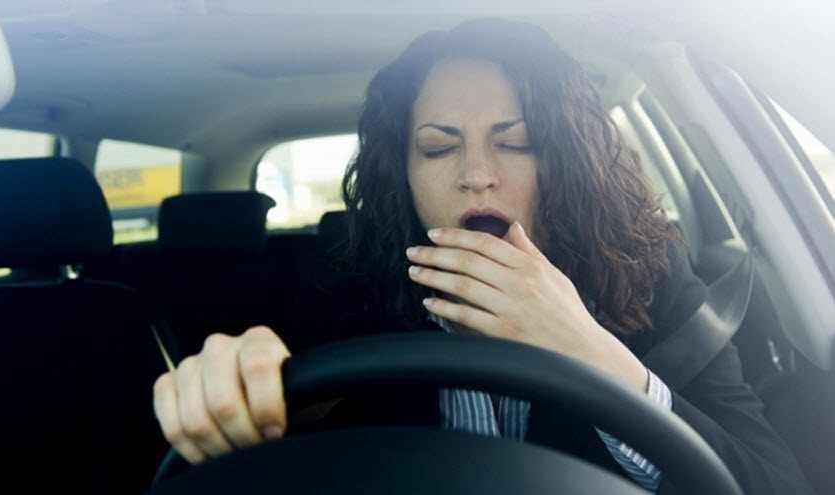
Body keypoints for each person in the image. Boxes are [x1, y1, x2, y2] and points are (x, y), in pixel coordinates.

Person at [152, 19, 812, 494]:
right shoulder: (345, 280)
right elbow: (277, 423)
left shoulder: (652, 271)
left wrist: (587, 349)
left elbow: (773, 483)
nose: (476, 176)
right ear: (402, 173)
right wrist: (237, 393)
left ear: (565, 164)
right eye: (438, 148)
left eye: (516, 142)